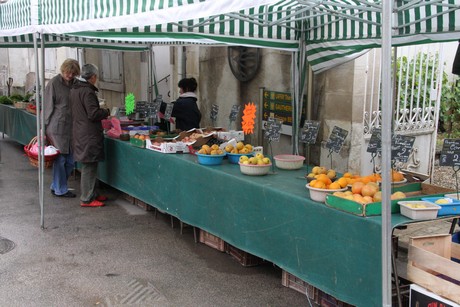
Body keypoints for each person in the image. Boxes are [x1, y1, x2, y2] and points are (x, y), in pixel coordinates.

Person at [70, 64, 110, 207]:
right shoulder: (87, 92)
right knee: (89, 165)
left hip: (81, 131)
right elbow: (93, 114)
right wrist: (106, 112)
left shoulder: (76, 89)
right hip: (88, 133)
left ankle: (92, 193)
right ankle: (86, 198)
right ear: (92, 77)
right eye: (96, 76)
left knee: (90, 164)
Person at [44, 58, 81, 198]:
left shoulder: (77, 84)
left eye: (73, 73)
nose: (70, 75)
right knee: (60, 159)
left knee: (71, 161)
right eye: (67, 72)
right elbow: (47, 106)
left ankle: (56, 185)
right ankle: (60, 189)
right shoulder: (54, 83)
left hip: (72, 127)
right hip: (56, 127)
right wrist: (43, 127)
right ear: (63, 70)